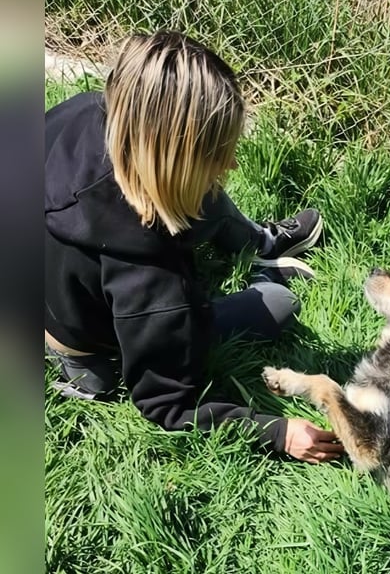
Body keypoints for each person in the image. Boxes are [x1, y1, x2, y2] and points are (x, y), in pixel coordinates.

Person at [45, 30, 344, 464]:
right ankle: (263, 268)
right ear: (177, 152)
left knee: (196, 191)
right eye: (220, 152)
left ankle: (258, 241)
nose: (234, 163)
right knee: (280, 302)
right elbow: (166, 405)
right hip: (79, 337)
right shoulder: (151, 280)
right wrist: (278, 431)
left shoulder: (83, 115)